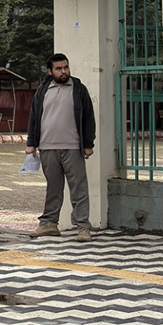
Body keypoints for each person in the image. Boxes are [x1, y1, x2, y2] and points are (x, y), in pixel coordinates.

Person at [26, 53, 97, 241]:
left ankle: (83, 227)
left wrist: (88, 144)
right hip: (47, 147)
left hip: (73, 147)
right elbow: (34, 117)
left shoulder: (78, 89)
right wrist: (31, 144)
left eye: (65, 67)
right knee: (53, 188)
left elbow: (89, 117)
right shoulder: (42, 90)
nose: (63, 71)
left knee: (78, 188)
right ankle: (49, 224)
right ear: (50, 71)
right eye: (58, 68)